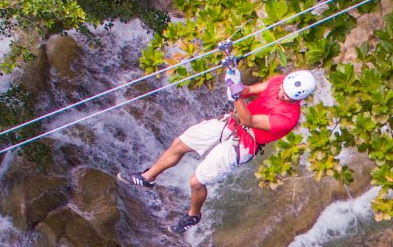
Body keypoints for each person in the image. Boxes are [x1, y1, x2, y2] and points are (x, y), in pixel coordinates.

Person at [118, 70, 317, 232]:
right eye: (283, 90)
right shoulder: (279, 82)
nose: (281, 94)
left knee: (196, 181)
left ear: (297, 99)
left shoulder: (288, 118)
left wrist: (236, 94)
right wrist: (235, 81)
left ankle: (193, 215)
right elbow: (248, 91)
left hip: (245, 142)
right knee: (179, 143)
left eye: (287, 96)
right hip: (233, 122)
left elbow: (248, 120)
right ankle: (148, 178)